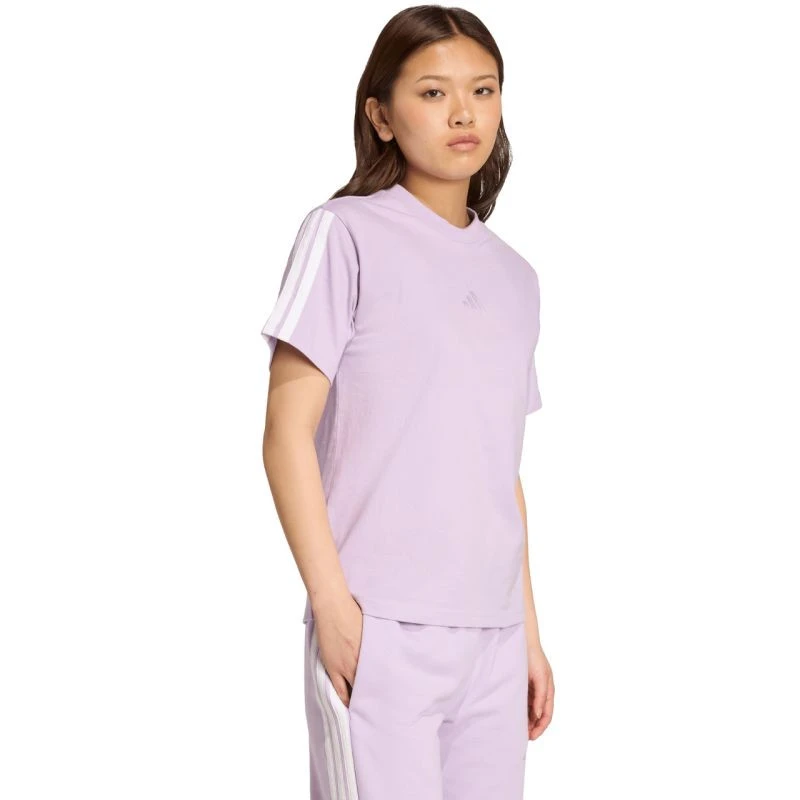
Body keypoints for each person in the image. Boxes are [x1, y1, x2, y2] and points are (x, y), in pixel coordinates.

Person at [260, 6, 554, 798]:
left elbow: (499, 468)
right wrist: (334, 607)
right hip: (381, 624)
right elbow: (286, 433)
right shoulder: (343, 234)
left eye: (483, 90)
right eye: (432, 92)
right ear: (381, 115)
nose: (464, 113)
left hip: (494, 639)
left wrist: (528, 634)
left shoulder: (516, 277)